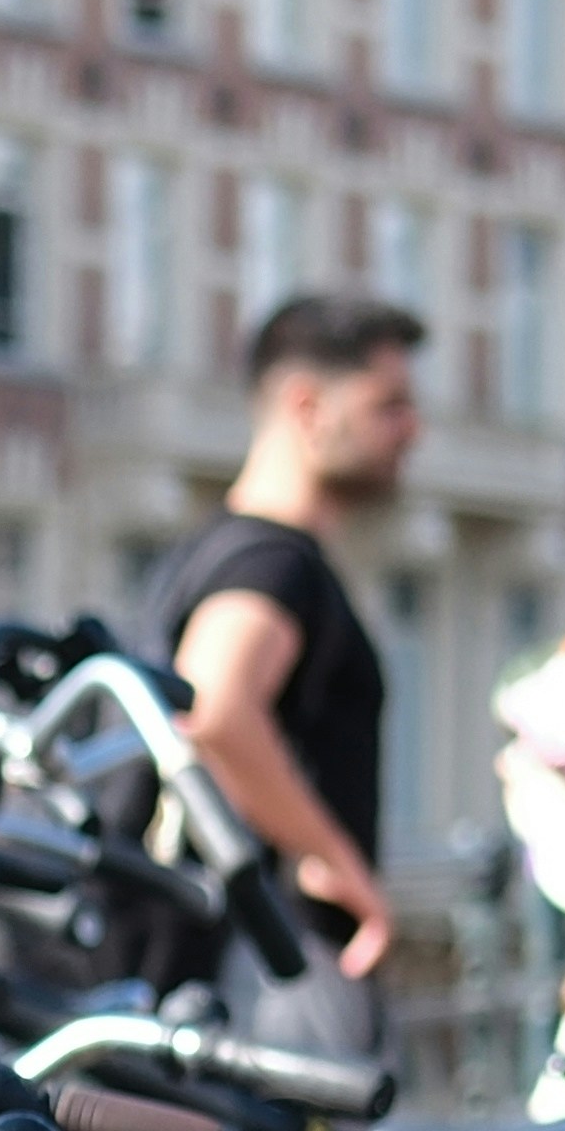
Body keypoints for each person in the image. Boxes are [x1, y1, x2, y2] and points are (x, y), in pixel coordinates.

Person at [139, 289, 422, 1077]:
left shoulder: (213, 551)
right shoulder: (275, 562)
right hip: (277, 966)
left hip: (230, 963)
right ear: (305, 405)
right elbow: (219, 705)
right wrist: (340, 865)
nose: (412, 430)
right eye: (388, 405)